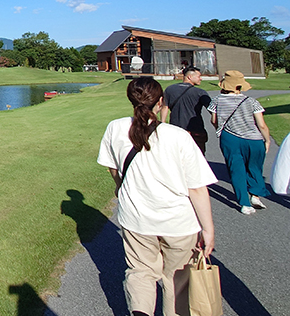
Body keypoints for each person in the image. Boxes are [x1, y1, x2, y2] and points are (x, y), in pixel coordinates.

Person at [98, 77, 216, 316]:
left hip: (136, 219)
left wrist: (122, 188)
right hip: (178, 222)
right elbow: (196, 188)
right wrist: (208, 229)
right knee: (176, 280)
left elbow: (113, 169)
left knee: (141, 272)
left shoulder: (115, 127)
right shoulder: (178, 136)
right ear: (161, 101)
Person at [208, 69, 271, 215]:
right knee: (255, 168)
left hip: (230, 138)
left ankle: (244, 203)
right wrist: (267, 140)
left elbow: (214, 120)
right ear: (240, 86)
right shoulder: (251, 101)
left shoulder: (217, 100)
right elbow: (261, 124)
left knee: (236, 169)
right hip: (254, 139)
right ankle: (255, 195)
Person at [160, 66, 212, 154]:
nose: (201, 79)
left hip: (175, 130)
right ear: (189, 77)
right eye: (199, 76)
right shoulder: (200, 92)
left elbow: (165, 107)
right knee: (198, 157)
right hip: (195, 130)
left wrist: (163, 123)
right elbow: (212, 109)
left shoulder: (170, 89)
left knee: (177, 156)